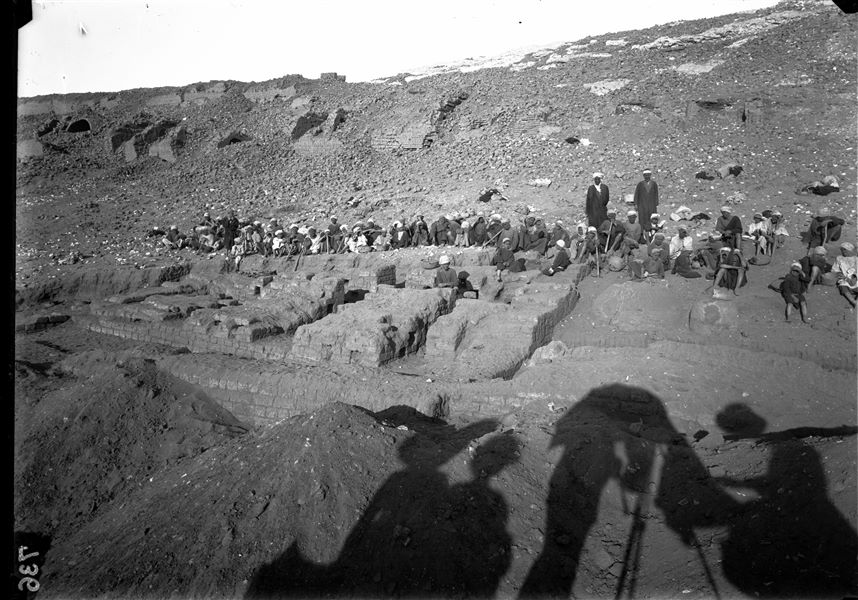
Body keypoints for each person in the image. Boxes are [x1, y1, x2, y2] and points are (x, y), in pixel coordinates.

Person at [832, 242, 858, 308]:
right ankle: (853, 302)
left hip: (854, 277)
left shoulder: (856, 259)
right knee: (843, 286)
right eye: (842, 251)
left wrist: (854, 277)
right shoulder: (839, 258)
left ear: (849, 250)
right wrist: (839, 274)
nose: (844, 253)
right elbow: (835, 268)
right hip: (843, 277)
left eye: (845, 251)